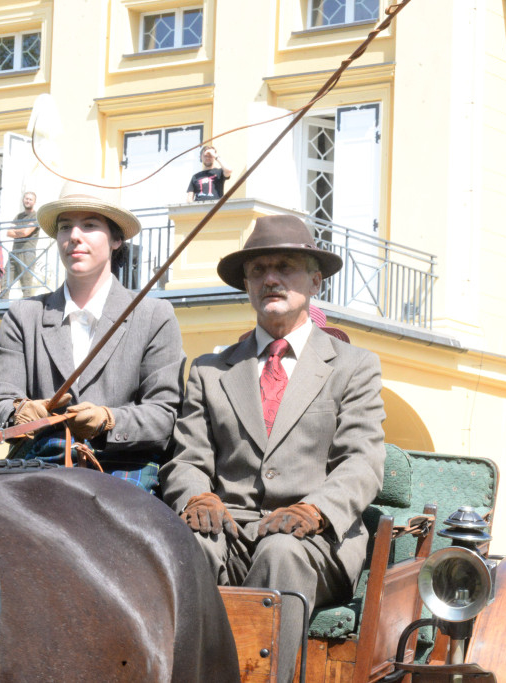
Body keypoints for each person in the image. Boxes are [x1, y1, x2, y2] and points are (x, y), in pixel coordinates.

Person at [160, 214, 385, 683]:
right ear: (247, 285)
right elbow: (187, 457)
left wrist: (316, 510)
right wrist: (195, 496)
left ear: (315, 281)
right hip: (229, 530)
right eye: (259, 271)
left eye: (285, 266)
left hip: (315, 542)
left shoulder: (353, 366)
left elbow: (362, 461)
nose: (272, 278)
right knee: (186, 548)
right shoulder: (210, 370)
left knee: (280, 552)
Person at [0, 181, 184, 493]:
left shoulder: (154, 316)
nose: (74, 236)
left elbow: (164, 416)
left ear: (116, 238)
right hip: (37, 473)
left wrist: (108, 420)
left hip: (121, 474)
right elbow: (0, 406)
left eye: (90, 225)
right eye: (65, 227)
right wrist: (19, 413)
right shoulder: (23, 316)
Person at [4, 190, 39, 297]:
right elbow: (8, 232)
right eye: (26, 198)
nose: (27, 201)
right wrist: (21, 231)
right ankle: (2, 306)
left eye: (30, 199)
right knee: (4, 283)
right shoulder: (19, 216)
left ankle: (27, 309)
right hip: (15, 252)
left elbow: (25, 232)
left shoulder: (36, 216)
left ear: (34, 202)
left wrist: (17, 231)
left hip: (27, 253)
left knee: (26, 285)